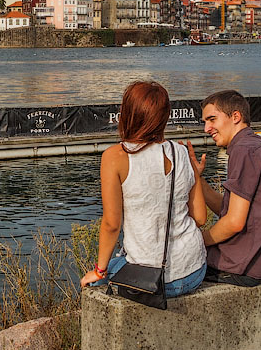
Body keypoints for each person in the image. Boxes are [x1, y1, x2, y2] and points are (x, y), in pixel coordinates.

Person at [80, 81, 208, 296]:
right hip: (194, 270)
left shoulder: (115, 157)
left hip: (152, 280)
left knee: (95, 280)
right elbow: (201, 218)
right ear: (165, 116)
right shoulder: (182, 152)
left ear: (127, 113)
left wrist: (99, 271)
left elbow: (112, 224)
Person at [188, 89, 261, 286]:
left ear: (236, 117)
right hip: (260, 263)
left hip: (241, 265)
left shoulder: (244, 150)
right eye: (205, 122)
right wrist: (198, 180)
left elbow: (234, 222)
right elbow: (229, 210)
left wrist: (196, 241)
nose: (206, 129)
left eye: (212, 119)